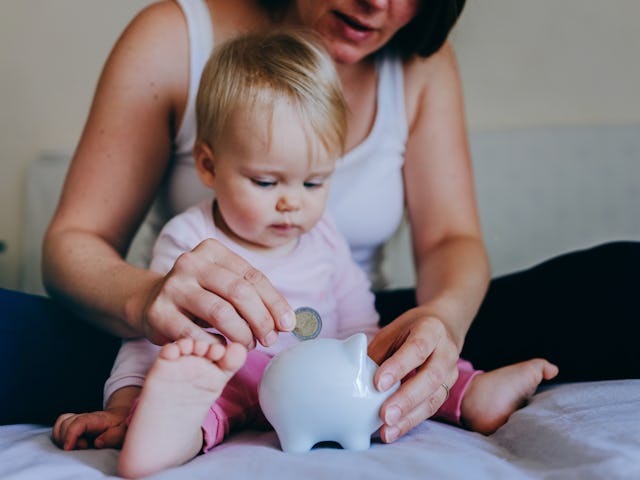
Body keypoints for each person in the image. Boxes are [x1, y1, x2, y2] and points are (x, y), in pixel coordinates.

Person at [1, 0, 637, 437]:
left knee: (620, 278)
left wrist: (440, 323)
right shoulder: (174, 36)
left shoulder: (418, 65)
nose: (376, 4)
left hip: (349, 322)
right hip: (193, 327)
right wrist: (147, 301)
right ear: (209, 162)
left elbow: (450, 240)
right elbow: (74, 242)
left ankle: (457, 384)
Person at [51, 31, 556, 478]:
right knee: (193, 385)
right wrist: (125, 401)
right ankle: (159, 437)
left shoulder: (324, 236)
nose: (292, 201)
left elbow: (360, 322)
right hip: (234, 371)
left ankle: (474, 394)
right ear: (208, 164)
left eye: (315, 182)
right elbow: (149, 337)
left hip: (321, 373)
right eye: (266, 181)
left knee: (399, 365)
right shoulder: (190, 238)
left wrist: (375, 358)